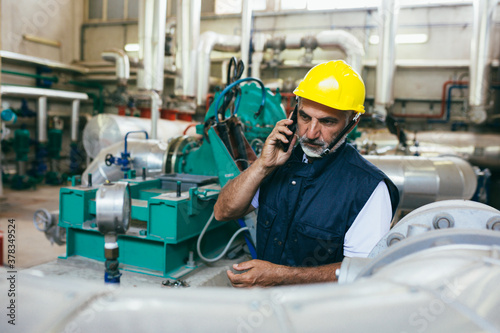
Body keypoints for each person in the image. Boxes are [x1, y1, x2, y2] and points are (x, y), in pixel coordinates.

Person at [214, 60, 399, 288]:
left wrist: (280, 275)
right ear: (293, 113)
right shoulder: (278, 162)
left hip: (318, 317)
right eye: (304, 117)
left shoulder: (368, 188)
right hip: (265, 307)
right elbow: (223, 212)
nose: (311, 133)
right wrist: (262, 165)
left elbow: (362, 270)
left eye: (327, 121)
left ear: (352, 122)